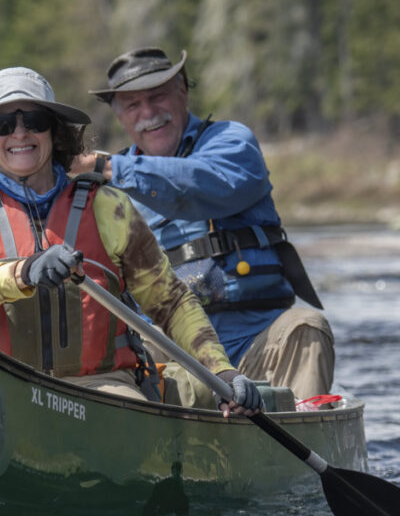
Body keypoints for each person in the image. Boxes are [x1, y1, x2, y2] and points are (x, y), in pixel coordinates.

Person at [0, 66, 263, 416]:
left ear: (54, 132)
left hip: (100, 385)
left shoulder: (109, 206)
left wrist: (222, 371)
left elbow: (171, 302)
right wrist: (25, 272)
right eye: (2, 125)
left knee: (134, 413)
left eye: (33, 120)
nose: (19, 133)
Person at [72, 48, 334, 408]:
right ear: (119, 116)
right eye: (132, 105)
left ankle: (300, 437)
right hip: (169, 346)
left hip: (257, 338)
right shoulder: (105, 189)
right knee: (116, 358)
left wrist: (109, 168)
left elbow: (207, 186)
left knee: (307, 328)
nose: (148, 113)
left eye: (157, 96)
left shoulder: (232, 143)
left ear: (183, 91)